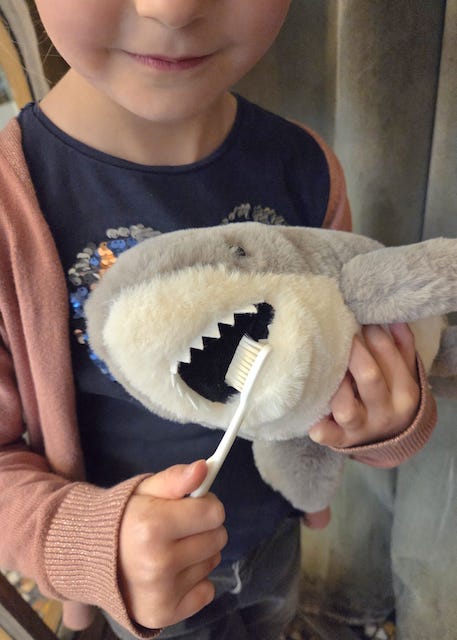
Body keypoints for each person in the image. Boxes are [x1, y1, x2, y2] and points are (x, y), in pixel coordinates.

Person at [0, 1, 437, 639]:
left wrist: (381, 418)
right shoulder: (11, 208)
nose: (173, 9)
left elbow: (343, 357)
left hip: (276, 541)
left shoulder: (306, 167)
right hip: (144, 593)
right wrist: (90, 544)